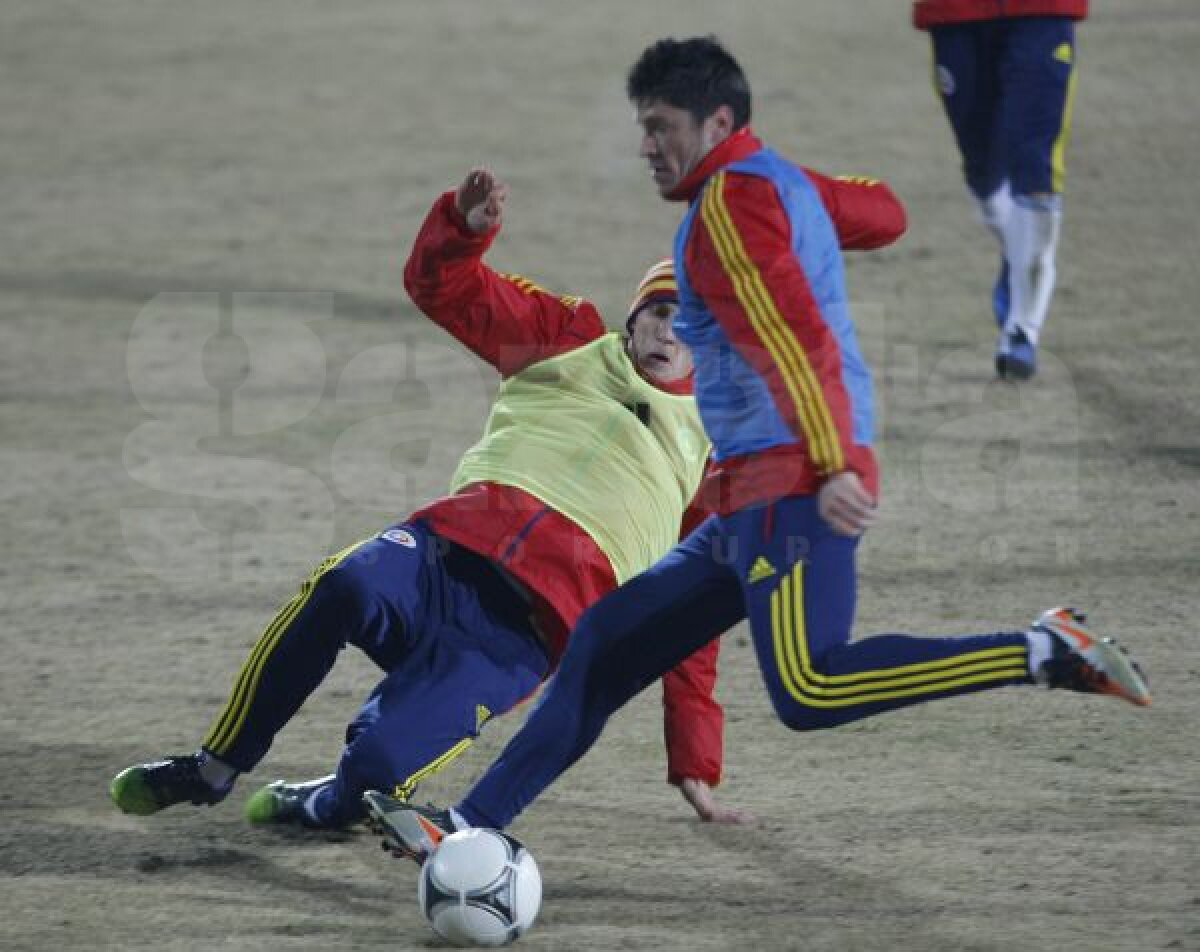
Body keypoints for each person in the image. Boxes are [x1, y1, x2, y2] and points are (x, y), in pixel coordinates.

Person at [365, 36, 1150, 862]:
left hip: (794, 479)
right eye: (643, 127)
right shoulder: (769, 186)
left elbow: (796, 340)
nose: (646, 147)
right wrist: (795, 194)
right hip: (749, 487)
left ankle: (1044, 650)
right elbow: (885, 212)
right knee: (602, 645)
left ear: (718, 122)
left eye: (662, 127)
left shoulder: (722, 219)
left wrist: (839, 461)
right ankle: (469, 825)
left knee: (811, 686)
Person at [111, 167, 749, 828]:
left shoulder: (715, 441)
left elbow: (691, 613)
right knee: (345, 585)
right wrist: (464, 230)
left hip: (523, 636)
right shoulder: (569, 338)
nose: (672, 332)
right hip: (443, 553)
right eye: (662, 311)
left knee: (379, 767)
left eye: (694, 322)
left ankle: (328, 802)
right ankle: (216, 765)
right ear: (635, 314)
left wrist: (696, 762)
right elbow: (443, 288)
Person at [914, 0, 1087, 380]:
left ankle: (1022, 330)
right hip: (954, 13)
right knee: (983, 175)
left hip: (1044, 11)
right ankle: (1018, 252)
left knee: (1036, 164)